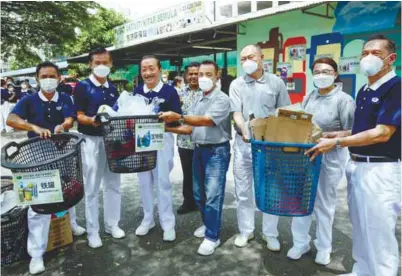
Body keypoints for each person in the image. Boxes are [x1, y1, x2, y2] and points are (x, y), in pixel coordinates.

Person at [306, 34, 401, 276]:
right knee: (360, 227)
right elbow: (361, 130)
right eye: (365, 53)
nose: (368, 58)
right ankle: (362, 271)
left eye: (376, 54)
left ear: (391, 59)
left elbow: (382, 133)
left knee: (379, 233)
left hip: (380, 170)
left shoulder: (396, 88)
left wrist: (337, 141)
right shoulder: (365, 89)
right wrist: (336, 134)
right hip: (357, 166)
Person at [6, 61, 86, 274]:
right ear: (37, 78)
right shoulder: (29, 100)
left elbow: (70, 118)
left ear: (59, 78)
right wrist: (33, 126)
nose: (49, 80)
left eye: (53, 76)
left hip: (63, 150)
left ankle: (72, 224)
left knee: (69, 189)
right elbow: (11, 119)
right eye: (44, 76)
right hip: (38, 155)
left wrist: (64, 125)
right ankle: (36, 254)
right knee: (39, 203)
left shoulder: (65, 98)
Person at [287, 58, 355, 265]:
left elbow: (353, 132)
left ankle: (324, 246)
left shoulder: (344, 100)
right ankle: (300, 242)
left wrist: (326, 136)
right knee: (300, 201)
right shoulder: (310, 97)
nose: (321, 75)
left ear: (335, 74)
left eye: (326, 71)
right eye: (317, 72)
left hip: (330, 157)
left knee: (324, 203)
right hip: (306, 156)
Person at [159, 60, 231, 256]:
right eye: (200, 75)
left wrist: (178, 116)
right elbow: (190, 128)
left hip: (216, 152)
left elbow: (207, 121)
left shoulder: (222, 99)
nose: (203, 78)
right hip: (198, 150)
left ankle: (212, 236)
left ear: (218, 75)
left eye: (209, 74)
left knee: (213, 195)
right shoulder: (199, 99)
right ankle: (208, 224)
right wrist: (165, 128)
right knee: (199, 194)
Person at [230, 44, 291, 250]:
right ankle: (246, 231)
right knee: (244, 190)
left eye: (250, 57)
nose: (246, 61)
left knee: (270, 188)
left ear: (261, 58)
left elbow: (285, 111)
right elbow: (237, 112)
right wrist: (244, 129)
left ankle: (270, 233)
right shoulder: (236, 84)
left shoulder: (276, 82)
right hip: (244, 142)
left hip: (269, 144)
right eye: (242, 59)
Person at [74, 47, 125, 249]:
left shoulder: (112, 88)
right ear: (90, 64)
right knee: (92, 187)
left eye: (106, 62)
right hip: (91, 140)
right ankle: (93, 231)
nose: (102, 66)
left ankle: (112, 225)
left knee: (113, 184)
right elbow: (77, 114)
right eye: (97, 63)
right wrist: (91, 120)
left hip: (111, 140)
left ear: (111, 64)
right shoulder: (82, 86)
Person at [128, 55, 181, 242]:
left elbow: (178, 117)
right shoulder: (136, 92)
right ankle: (148, 219)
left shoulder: (169, 92)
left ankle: (168, 223)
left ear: (159, 70)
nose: (147, 73)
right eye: (144, 69)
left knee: (162, 182)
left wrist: (167, 117)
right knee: (144, 182)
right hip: (141, 141)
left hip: (161, 141)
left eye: (151, 68)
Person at [176, 62, 202, 215]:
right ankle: (188, 201)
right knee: (187, 172)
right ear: (186, 75)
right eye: (190, 73)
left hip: (203, 141)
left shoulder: (207, 92)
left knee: (202, 173)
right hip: (184, 141)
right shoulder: (180, 94)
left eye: (196, 73)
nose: (193, 76)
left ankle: (202, 202)